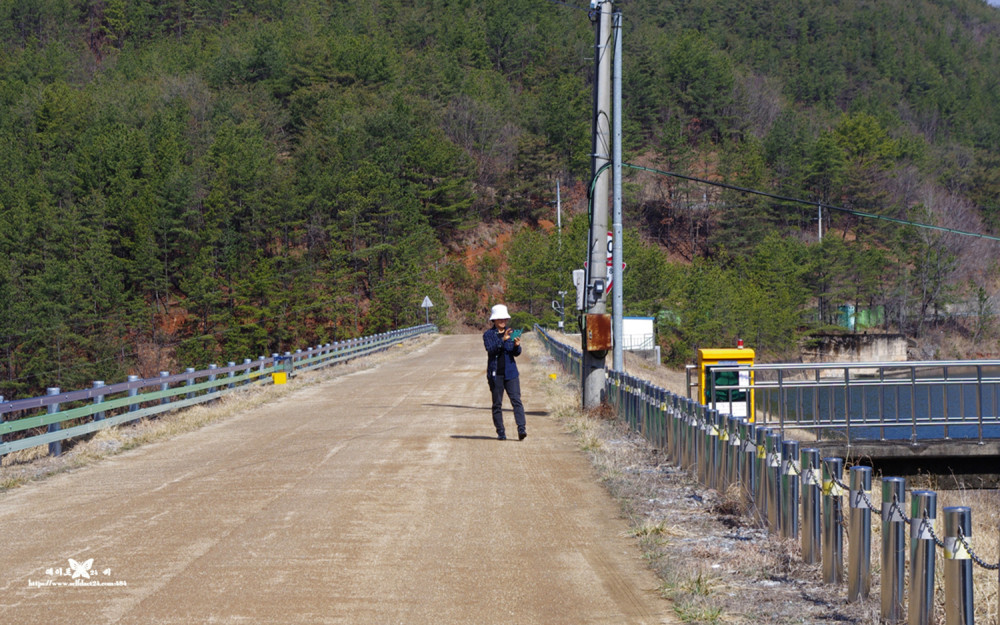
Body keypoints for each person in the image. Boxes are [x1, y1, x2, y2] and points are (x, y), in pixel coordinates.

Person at [483, 304, 527, 441]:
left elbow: (516, 353)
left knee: (516, 401)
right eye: (500, 319)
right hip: (496, 374)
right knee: (497, 404)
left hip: (511, 373)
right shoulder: (488, 335)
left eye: (505, 319)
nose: (503, 321)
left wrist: (517, 346)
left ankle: (521, 428)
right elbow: (491, 350)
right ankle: (500, 432)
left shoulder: (512, 332)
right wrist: (503, 340)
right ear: (494, 320)